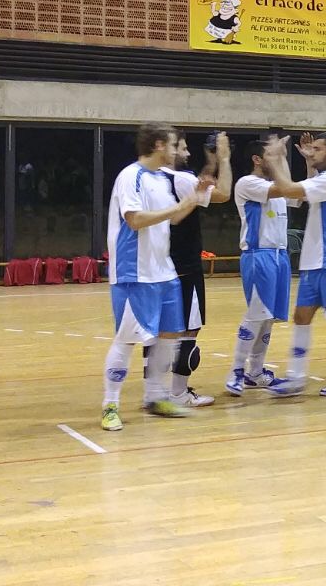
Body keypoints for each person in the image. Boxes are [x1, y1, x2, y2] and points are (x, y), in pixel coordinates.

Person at [99, 122, 212, 431]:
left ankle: (155, 396)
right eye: (175, 144)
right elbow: (135, 220)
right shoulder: (130, 176)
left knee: (168, 336)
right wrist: (179, 205)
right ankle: (110, 405)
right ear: (160, 145)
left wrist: (191, 200)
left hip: (164, 271)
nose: (178, 151)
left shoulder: (162, 179)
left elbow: (174, 217)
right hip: (135, 272)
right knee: (127, 340)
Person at [260, 133, 326, 397]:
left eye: (317, 149)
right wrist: (306, 162)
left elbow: (292, 190)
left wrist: (274, 159)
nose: (312, 151)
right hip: (315, 262)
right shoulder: (324, 179)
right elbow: (305, 189)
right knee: (301, 316)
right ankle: (296, 377)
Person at [160, 132, 231, 408]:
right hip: (186, 265)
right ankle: (178, 392)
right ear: (169, 149)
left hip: (163, 264)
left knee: (162, 332)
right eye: (184, 148)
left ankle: (153, 392)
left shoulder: (155, 178)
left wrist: (210, 166)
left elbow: (195, 187)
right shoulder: (182, 179)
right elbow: (222, 194)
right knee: (190, 329)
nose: (188, 153)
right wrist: (224, 159)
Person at [226, 136, 291, 395]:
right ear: (257, 159)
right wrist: (280, 159)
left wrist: (305, 162)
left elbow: (296, 193)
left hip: (280, 256)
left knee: (268, 320)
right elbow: (285, 187)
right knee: (255, 314)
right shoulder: (247, 183)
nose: (274, 158)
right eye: (269, 155)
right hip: (258, 255)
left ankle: (256, 371)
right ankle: (236, 371)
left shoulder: (277, 188)